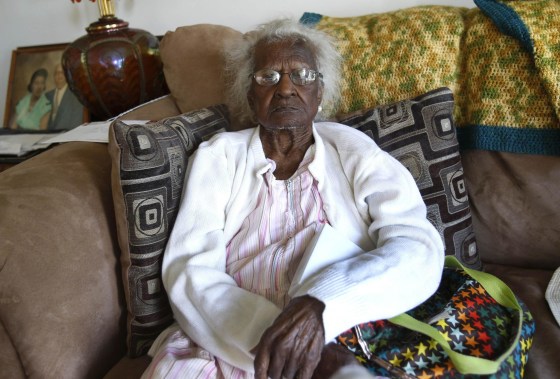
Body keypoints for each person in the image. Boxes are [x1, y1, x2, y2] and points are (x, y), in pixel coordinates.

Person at [142, 18, 444, 379]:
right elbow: (190, 271)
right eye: (267, 77)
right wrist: (274, 336)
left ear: (320, 93)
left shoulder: (353, 150)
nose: (285, 88)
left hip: (341, 333)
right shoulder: (219, 156)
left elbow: (418, 247)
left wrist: (324, 306)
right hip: (227, 339)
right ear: (250, 96)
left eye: (302, 75)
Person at [45, 63, 84, 130]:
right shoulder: (47, 95)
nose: (59, 76)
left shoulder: (75, 95)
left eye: (62, 73)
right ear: (54, 76)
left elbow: (76, 123)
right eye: (56, 73)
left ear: (67, 75)